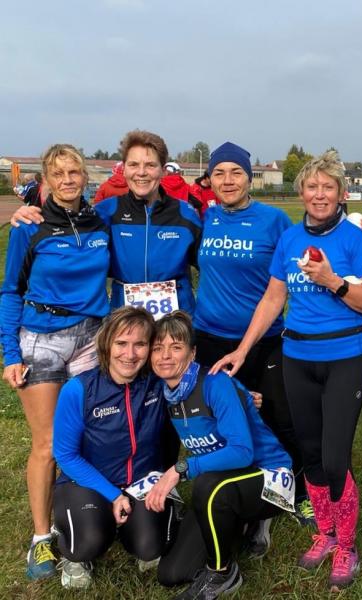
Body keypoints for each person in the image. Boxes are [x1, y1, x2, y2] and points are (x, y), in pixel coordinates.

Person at [211, 150, 362, 590]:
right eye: (312, 186)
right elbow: (273, 298)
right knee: (309, 453)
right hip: (297, 357)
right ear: (301, 192)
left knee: (335, 457)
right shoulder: (289, 239)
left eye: (328, 187)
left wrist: (333, 281)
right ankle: (325, 532)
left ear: (341, 193)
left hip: (344, 356)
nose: (319, 194)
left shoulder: (353, 239)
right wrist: (243, 350)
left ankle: (347, 545)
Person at [0, 144, 111, 581]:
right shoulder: (29, 226)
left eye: (74, 172)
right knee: (47, 444)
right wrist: (10, 354)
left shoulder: (99, 222)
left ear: (85, 177)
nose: (67, 180)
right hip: (42, 338)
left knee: (85, 439)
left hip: (91, 339)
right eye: (58, 173)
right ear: (46, 179)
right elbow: (11, 290)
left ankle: (82, 526)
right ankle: (41, 537)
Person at [193, 141, 312, 530]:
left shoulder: (273, 220)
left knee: (280, 415)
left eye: (236, 172)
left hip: (265, 338)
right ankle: (236, 489)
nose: (227, 180)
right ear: (209, 179)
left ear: (249, 178)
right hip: (209, 338)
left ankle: (300, 491)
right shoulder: (204, 217)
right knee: (221, 418)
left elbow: (303, 258)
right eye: (219, 173)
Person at [143, 311, 292, 600]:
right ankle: (241, 522)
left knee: (206, 486)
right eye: (158, 348)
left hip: (268, 474)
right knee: (172, 573)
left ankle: (222, 573)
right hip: (224, 480)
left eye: (176, 347)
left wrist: (180, 468)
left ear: (192, 353)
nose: (165, 356)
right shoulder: (167, 390)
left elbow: (242, 452)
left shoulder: (215, 383)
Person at [12, 130, 203, 315]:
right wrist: (27, 213)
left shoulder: (186, 215)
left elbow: (211, 268)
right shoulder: (104, 213)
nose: (141, 172)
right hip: (125, 324)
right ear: (124, 169)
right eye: (133, 164)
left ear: (162, 170)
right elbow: (66, 224)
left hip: (175, 325)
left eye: (150, 165)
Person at [52, 307, 176, 589]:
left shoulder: (158, 383)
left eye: (140, 344)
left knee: (150, 547)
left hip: (141, 481)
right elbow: (65, 455)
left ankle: (125, 523)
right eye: (121, 343)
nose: (130, 354)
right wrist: (112, 495)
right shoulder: (79, 389)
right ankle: (76, 546)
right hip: (87, 482)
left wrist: (240, 396)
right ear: (107, 343)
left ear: (150, 347)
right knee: (88, 542)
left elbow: (200, 386)